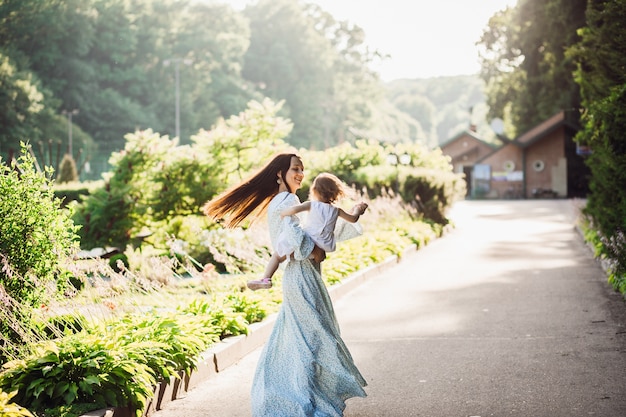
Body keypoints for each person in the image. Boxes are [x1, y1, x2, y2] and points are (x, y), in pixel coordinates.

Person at [202, 153, 367, 416]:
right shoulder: (288, 200)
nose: (301, 174)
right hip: (301, 274)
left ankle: (288, 396)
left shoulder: (281, 201)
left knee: (301, 337)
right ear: (280, 174)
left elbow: (303, 233)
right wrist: (314, 251)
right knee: (315, 338)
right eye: (295, 169)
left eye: (302, 169)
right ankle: (299, 399)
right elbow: (294, 236)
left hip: (299, 275)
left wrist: (315, 246)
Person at [247, 172, 367, 291]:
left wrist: (284, 213)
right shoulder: (336, 210)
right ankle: (267, 278)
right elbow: (353, 219)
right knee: (290, 256)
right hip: (323, 246)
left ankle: (266, 279)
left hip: (308, 245)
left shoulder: (312, 205)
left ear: (315, 191)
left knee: (278, 255)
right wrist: (357, 210)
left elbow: (294, 209)